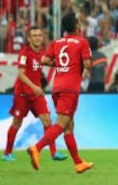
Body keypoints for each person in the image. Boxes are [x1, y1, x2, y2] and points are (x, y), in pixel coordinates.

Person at [27, 13, 93, 173]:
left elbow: (43, 60)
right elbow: (87, 64)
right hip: (70, 89)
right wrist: (81, 66)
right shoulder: (82, 42)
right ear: (77, 26)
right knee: (61, 124)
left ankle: (78, 163)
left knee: (69, 127)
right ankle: (37, 148)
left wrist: (61, 65)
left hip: (57, 87)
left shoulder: (57, 42)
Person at [2, 26, 67, 162]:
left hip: (36, 95)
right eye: (34, 35)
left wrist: (66, 64)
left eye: (39, 35)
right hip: (22, 95)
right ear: (29, 39)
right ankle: (7, 153)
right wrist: (34, 86)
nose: (38, 37)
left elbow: (52, 62)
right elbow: (20, 74)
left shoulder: (41, 54)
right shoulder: (24, 54)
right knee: (16, 123)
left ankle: (54, 153)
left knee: (47, 121)